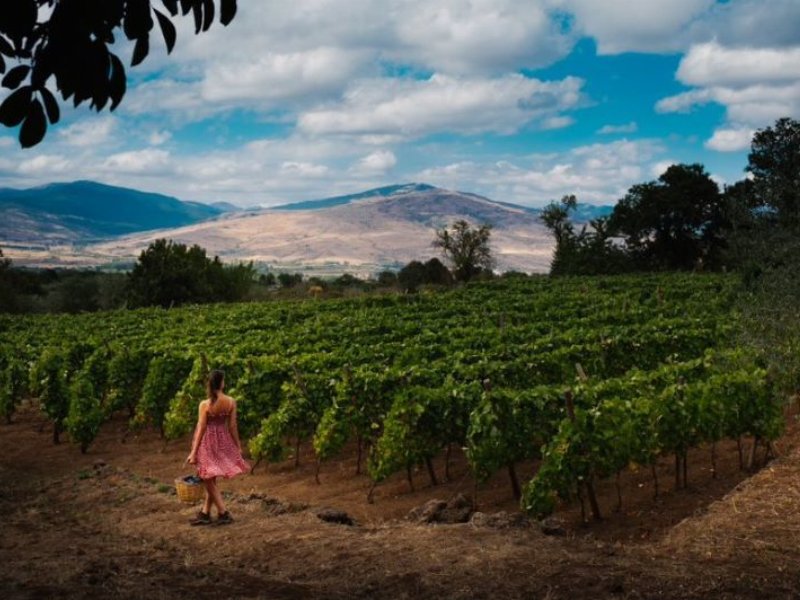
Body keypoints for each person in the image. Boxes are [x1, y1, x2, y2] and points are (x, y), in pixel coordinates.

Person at [186, 369, 249, 525]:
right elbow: (233, 426)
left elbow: (201, 428)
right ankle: (205, 513)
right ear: (221, 383)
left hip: (207, 442)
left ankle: (223, 512)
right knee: (211, 477)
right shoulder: (231, 401)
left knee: (207, 477)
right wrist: (237, 445)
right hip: (222, 440)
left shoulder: (205, 404)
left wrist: (194, 452)